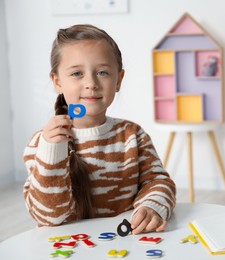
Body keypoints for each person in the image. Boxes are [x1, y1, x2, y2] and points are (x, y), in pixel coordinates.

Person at [23, 24, 176, 234]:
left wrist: (152, 206)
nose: (91, 83)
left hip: (124, 246)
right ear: (57, 82)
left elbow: (158, 181)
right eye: (77, 73)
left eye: (102, 72)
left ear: (118, 80)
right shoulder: (41, 143)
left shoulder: (133, 135)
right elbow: (48, 216)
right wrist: (53, 150)